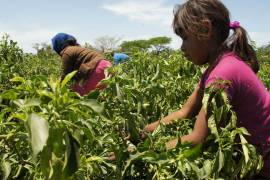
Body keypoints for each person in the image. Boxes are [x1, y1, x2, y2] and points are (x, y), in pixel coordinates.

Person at [143, 0, 270, 178]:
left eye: (185, 38)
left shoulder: (222, 74)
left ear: (204, 30)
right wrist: (143, 132)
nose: (182, 48)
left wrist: (141, 152)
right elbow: (185, 112)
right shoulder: (217, 67)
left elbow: (196, 140)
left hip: (263, 165)